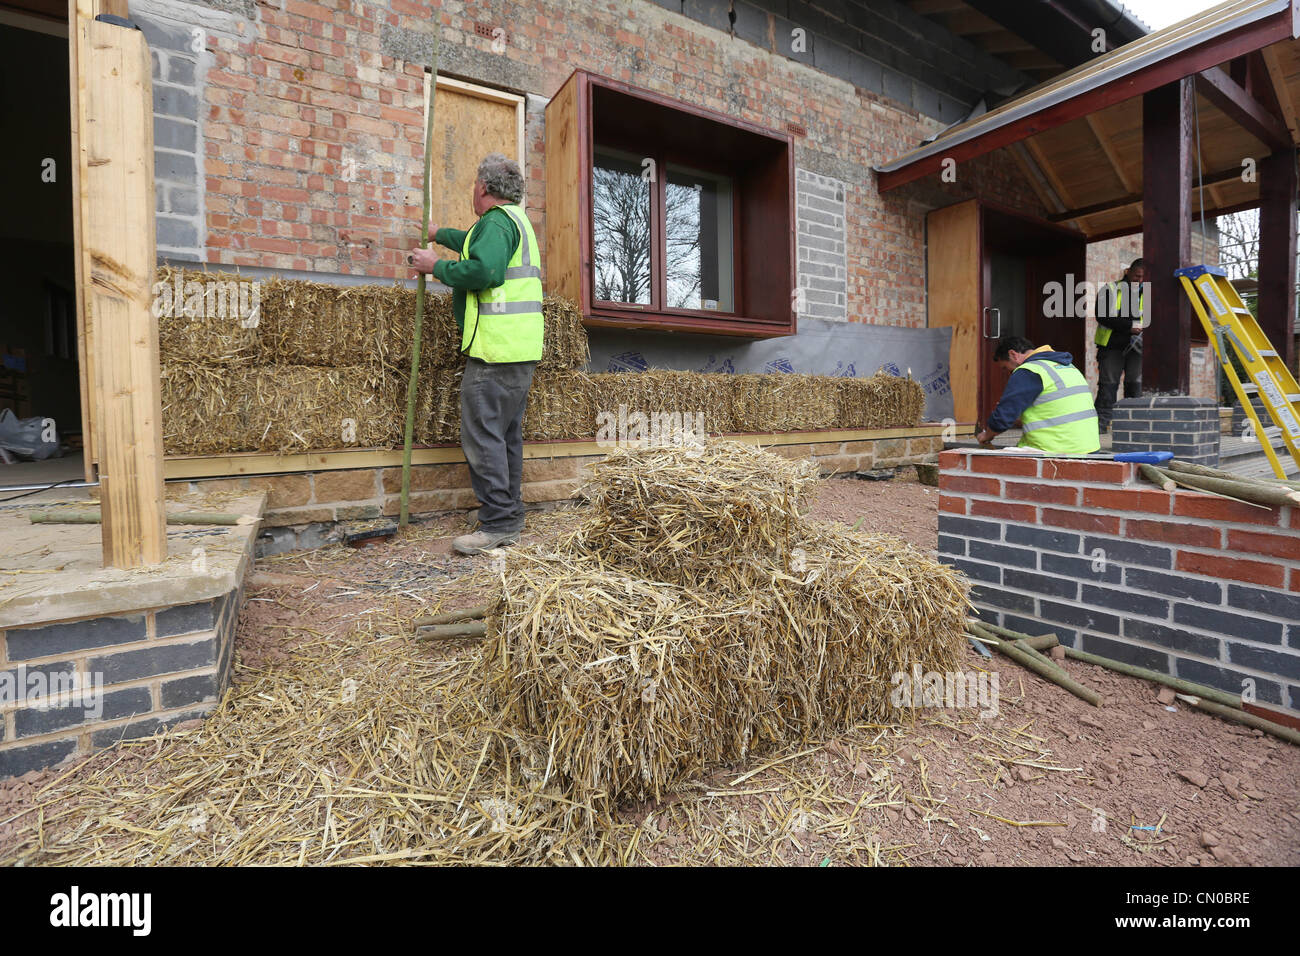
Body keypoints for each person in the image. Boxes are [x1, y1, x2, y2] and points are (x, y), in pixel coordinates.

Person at [409, 153, 543, 555]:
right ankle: (508, 512)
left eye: (473, 184)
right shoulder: (511, 220)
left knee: (483, 436)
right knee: (504, 436)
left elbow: (486, 272)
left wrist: (435, 267)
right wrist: (439, 233)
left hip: (495, 351)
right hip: (518, 349)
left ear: (483, 188)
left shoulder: (496, 224)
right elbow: (473, 242)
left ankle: (498, 522)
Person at [975, 336, 1100, 455]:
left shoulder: (1029, 370)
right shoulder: (1068, 367)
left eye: (1005, 368)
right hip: (1090, 448)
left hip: (1057, 451)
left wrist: (987, 435)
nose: (1009, 372)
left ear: (1013, 354)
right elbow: (1059, 410)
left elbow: (1004, 416)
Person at [1093, 257, 1147, 433]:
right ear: (1128, 272)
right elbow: (1102, 316)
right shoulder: (1110, 289)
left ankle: (1130, 429)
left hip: (1138, 348)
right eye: (1136, 276)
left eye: (1143, 278)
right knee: (1108, 386)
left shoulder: (1149, 293)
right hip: (1112, 345)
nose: (1139, 281)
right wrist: (1130, 327)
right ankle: (1098, 429)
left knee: (1134, 387)